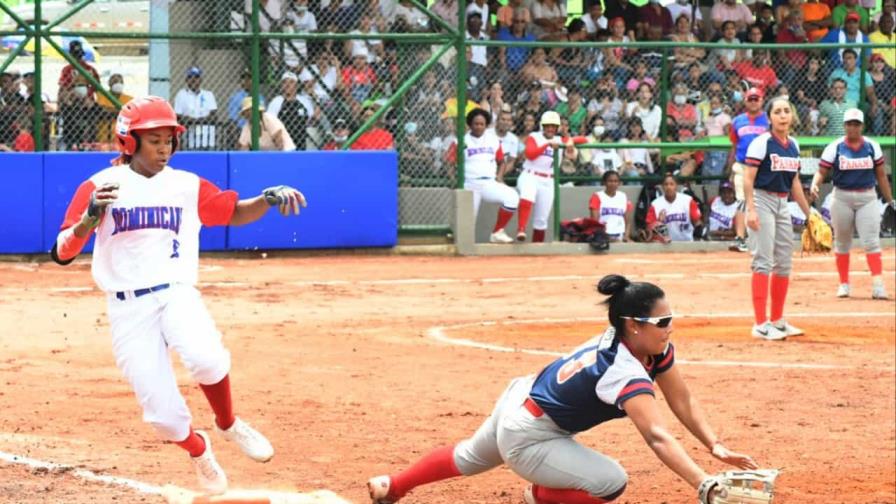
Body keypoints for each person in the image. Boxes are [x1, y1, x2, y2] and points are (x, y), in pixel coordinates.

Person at [49, 96, 306, 494]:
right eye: (154, 140)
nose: (164, 148)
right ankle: (199, 450)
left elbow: (234, 212)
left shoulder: (185, 184)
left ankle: (228, 423)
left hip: (176, 291)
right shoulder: (98, 187)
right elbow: (62, 253)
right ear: (128, 141)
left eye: (169, 139)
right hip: (128, 307)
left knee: (206, 358)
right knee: (163, 417)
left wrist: (267, 199)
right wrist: (88, 220)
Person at [367, 274, 759, 504]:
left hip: (519, 400)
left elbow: (681, 398)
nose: (670, 326)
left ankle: (392, 487)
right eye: (662, 320)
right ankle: (538, 496)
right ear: (634, 325)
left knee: (469, 456)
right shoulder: (624, 371)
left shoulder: (634, 342)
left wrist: (714, 445)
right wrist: (702, 484)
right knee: (610, 481)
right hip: (530, 436)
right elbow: (657, 436)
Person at [743, 97, 812, 340]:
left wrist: (809, 214)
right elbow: (748, 177)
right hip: (761, 200)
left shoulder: (793, 144)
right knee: (763, 260)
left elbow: (794, 183)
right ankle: (760, 324)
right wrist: (750, 209)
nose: (783, 115)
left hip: (783, 203)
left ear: (792, 116)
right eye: (777, 112)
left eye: (786, 111)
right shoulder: (762, 143)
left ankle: (778, 320)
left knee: (784, 262)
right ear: (769, 117)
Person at [810, 108, 896, 300]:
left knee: (872, 242)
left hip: (867, 197)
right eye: (849, 124)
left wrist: (890, 200)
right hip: (841, 197)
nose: (852, 128)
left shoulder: (872, 146)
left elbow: (881, 176)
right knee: (842, 242)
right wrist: (815, 184)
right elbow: (821, 172)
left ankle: (878, 285)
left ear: (862, 126)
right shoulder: (835, 147)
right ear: (844, 126)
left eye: (856, 124)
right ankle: (844, 284)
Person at [449, 109, 520, 244]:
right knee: (469, 222)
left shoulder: (493, 140)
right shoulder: (460, 141)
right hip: (470, 184)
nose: (479, 127)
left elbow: (501, 162)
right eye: (476, 124)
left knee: (512, 197)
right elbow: (450, 162)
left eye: (482, 124)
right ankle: (463, 251)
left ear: (486, 125)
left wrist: (499, 177)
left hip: (489, 183)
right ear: (470, 124)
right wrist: (454, 181)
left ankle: (497, 232)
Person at [515, 111, 587, 242]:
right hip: (530, 175)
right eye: (547, 125)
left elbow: (584, 139)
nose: (550, 129)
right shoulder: (534, 136)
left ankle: (537, 247)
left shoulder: (559, 139)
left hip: (548, 180)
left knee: (541, 220)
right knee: (527, 196)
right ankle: (521, 229)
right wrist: (547, 145)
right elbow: (530, 154)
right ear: (542, 126)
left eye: (553, 126)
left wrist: (570, 141)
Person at [727, 87, 768, 253]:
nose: (753, 102)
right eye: (750, 99)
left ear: (762, 100)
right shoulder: (737, 121)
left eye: (756, 99)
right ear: (745, 101)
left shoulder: (768, 120)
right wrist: (730, 167)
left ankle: (762, 238)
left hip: (763, 166)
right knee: (742, 201)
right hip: (743, 166)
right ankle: (740, 238)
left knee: (764, 202)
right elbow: (734, 145)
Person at [646, 173, 702, 242]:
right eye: (666, 184)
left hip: (687, 243)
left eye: (671, 184)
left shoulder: (688, 201)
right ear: (662, 187)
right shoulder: (655, 205)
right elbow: (650, 230)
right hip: (666, 245)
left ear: (676, 186)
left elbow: (698, 223)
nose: (669, 187)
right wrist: (659, 222)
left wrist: (697, 240)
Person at [173, 67, 219, 150]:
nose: (193, 79)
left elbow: (214, 116)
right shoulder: (181, 95)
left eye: (197, 77)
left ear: (201, 79)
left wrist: (193, 120)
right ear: (186, 80)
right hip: (190, 138)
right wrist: (202, 120)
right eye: (190, 77)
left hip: (207, 138)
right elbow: (178, 117)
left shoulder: (208, 95)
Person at [589, 171, 632, 241]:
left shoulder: (623, 196)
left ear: (619, 183)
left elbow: (628, 221)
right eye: (610, 181)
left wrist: (626, 236)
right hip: (603, 236)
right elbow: (594, 221)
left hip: (620, 235)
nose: (613, 184)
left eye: (616, 181)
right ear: (604, 182)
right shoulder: (597, 196)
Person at [96, 74, 135, 147]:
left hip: (121, 136)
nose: (118, 84)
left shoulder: (129, 99)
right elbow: (101, 110)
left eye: (120, 82)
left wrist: (110, 110)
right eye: (115, 81)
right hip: (103, 135)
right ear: (109, 84)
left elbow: (130, 113)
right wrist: (121, 110)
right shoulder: (101, 96)